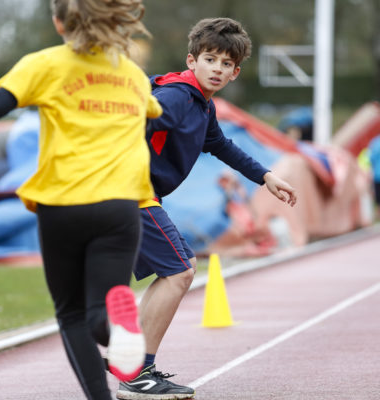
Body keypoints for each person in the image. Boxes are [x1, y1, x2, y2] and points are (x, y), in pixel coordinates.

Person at [0, 0, 162, 399]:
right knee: (101, 307)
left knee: (72, 314)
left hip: (64, 203)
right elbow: (152, 112)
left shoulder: (44, 63)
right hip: (120, 205)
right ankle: (120, 329)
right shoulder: (131, 73)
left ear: (59, 23)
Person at [116, 17, 297, 400]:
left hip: (137, 192)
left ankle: (130, 359)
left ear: (235, 72)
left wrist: (266, 176)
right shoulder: (179, 96)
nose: (217, 68)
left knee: (177, 270)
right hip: (128, 190)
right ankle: (135, 370)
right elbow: (140, 118)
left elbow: (220, 145)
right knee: (180, 270)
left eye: (226, 64)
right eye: (210, 59)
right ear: (192, 60)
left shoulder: (202, 105)